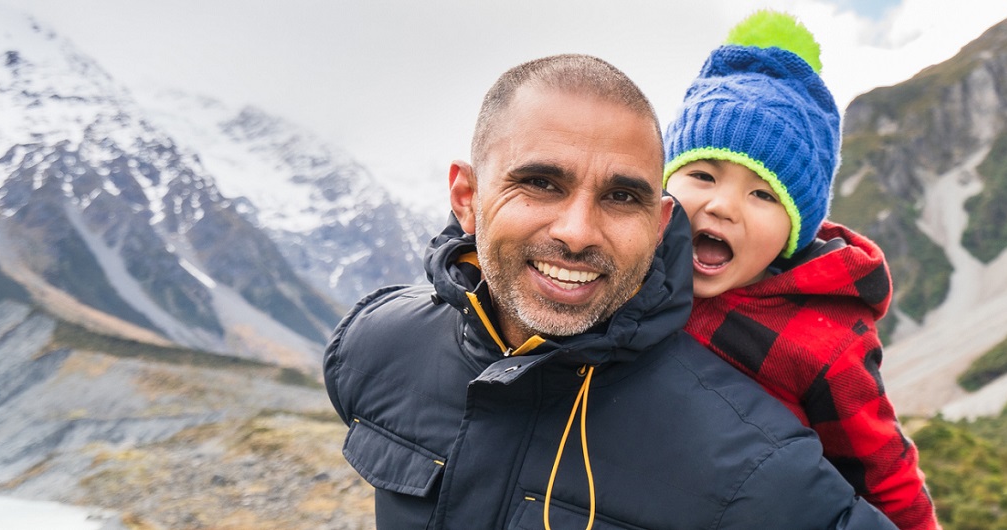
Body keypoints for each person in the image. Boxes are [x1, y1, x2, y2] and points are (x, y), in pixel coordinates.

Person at [323, 53, 897, 530]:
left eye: (622, 197)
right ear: (467, 196)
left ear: (659, 222)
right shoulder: (372, 346)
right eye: (540, 183)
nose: (576, 232)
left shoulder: (755, 465)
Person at [662, 12, 937, 530]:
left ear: (796, 231)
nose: (723, 206)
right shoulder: (633, 275)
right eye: (702, 174)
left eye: (762, 194)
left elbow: (885, 476)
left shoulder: (823, 340)